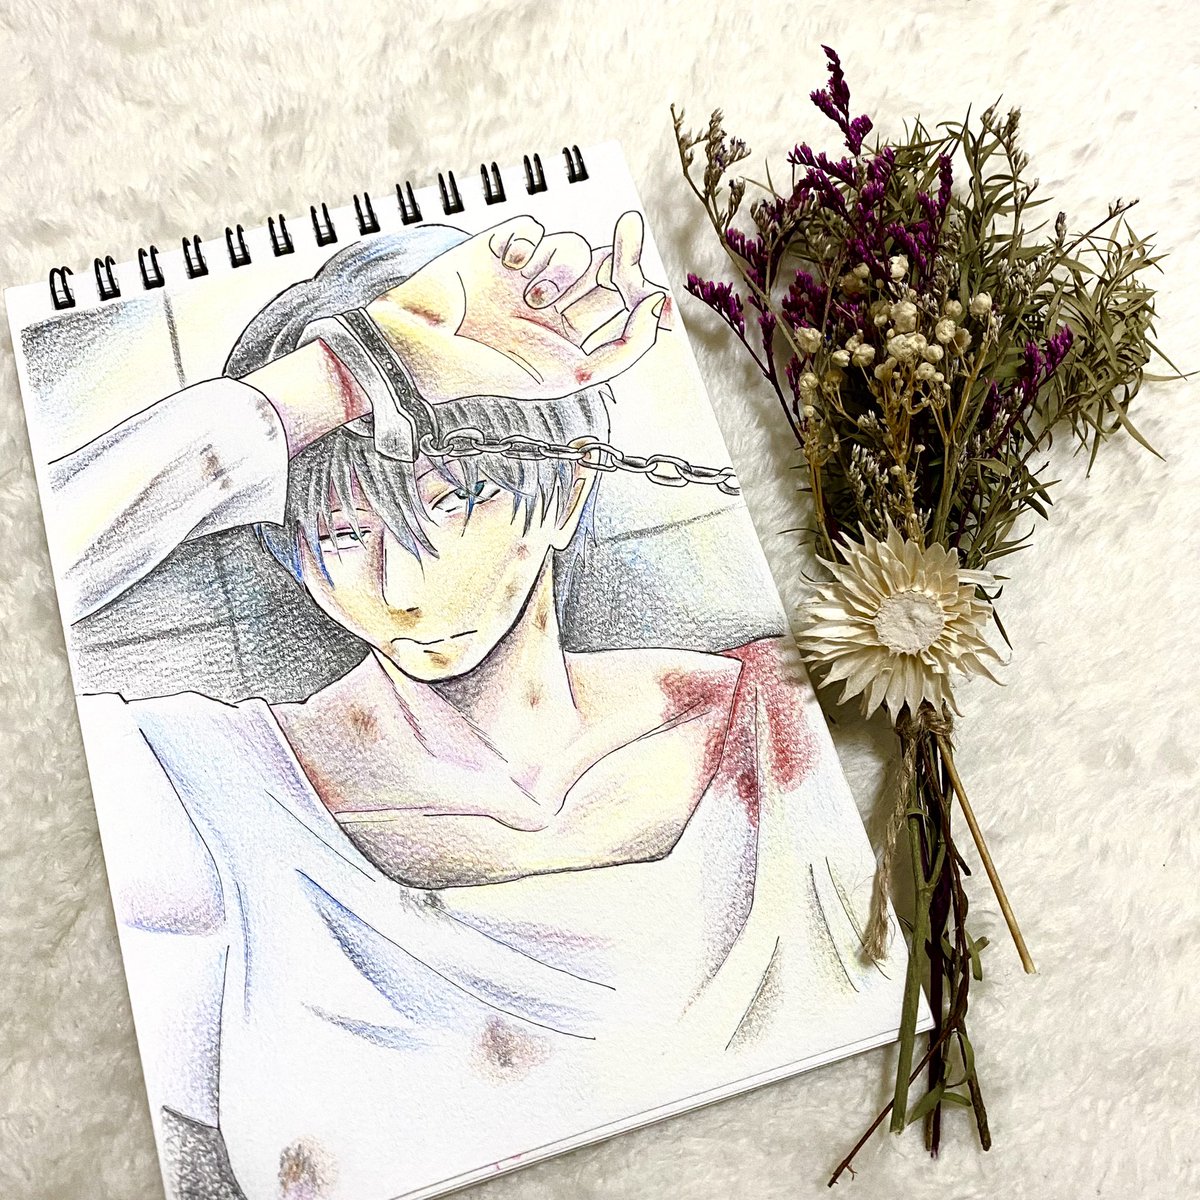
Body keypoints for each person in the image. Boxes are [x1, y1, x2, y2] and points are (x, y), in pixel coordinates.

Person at [53, 211, 847, 1200]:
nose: (399, 585)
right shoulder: (208, 794)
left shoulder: (767, 728)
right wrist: (352, 371)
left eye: (449, 503)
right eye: (343, 535)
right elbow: (41, 567)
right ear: (294, 553)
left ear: (565, 491)